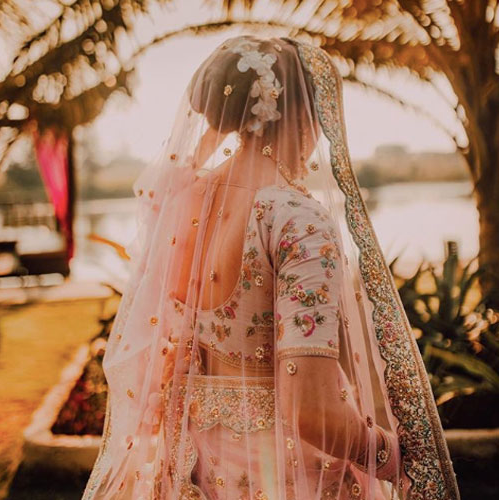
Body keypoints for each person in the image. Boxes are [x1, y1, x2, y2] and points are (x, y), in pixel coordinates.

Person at [82, 35, 460, 500]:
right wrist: (398, 455)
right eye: (320, 111)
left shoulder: (184, 203)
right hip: (291, 478)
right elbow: (313, 413)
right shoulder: (295, 220)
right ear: (300, 115)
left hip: (197, 473)